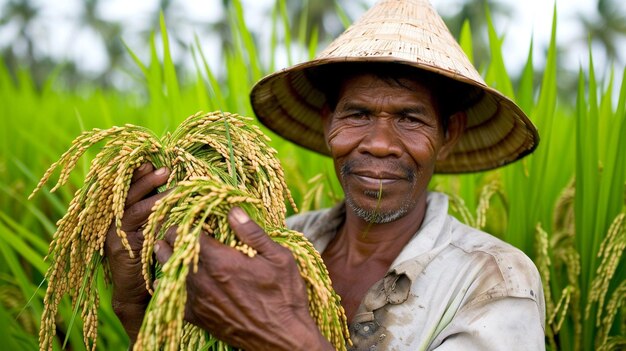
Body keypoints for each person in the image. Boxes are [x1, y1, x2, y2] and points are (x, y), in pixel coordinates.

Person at [105, 0, 546, 349]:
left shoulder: (495, 280)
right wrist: (135, 302)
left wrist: (282, 338)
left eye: (411, 119)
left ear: (449, 135)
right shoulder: (274, 242)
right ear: (327, 122)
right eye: (357, 114)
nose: (379, 143)